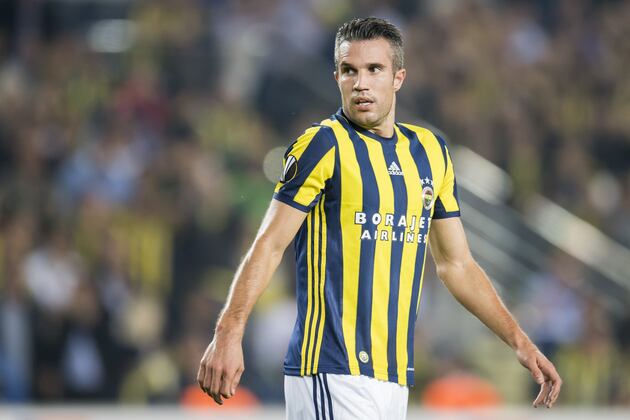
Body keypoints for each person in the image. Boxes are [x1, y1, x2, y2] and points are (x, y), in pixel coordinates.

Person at [197, 17, 562, 419]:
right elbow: (269, 244)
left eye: (374, 69)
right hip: (330, 370)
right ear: (336, 77)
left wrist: (520, 341)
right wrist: (228, 331)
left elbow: (457, 265)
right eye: (349, 70)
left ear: (398, 77)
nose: (361, 83)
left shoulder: (430, 153)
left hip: (394, 379)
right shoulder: (323, 144)